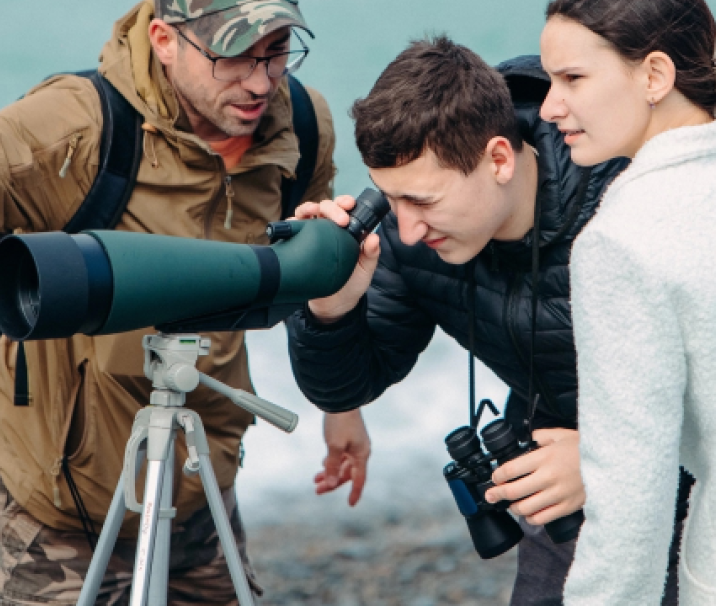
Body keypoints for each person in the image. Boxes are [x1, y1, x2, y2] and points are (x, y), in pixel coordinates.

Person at [0, 0, 338, 605]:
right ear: (164, 40)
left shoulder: (302, 128)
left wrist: (343, 407)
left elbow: (314, 271)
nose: (261, 81)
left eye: (278, 51)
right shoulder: (79, 128)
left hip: (198, 485)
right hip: (57, 507)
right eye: (234, 55)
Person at [286, 35, 691, 605]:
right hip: (559, 485)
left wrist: (607, 457)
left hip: (695, 489)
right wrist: (331, 306)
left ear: (498, 158)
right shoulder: (411, 246)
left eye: (423, 202)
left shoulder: (630, 196)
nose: (405, 229)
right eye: (390, 199)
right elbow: (345, 385)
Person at [539, 0, 716, 605]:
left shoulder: (624, 240)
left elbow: (631, 499)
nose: (551, 105)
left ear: (655, 75)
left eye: (573, 78)